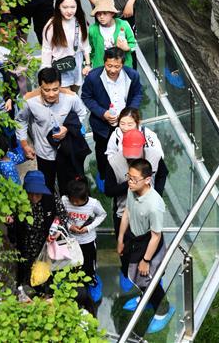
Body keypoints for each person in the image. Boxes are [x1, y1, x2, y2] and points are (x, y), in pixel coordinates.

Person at [117, 159, 175, 334]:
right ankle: (145, 297)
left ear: (147, 180)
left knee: (149, 278)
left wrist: (146, 260)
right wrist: (120, 238)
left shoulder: (154, 205)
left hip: (148, 242)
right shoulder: (132, 189)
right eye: (129, 177)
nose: (130, 181)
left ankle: (163, 310)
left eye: (135, 179)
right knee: (131, 271)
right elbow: (127, 212)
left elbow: (156, 236)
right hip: (133, 238)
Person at [16, 66, 87, 193]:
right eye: (46, 90)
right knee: (47, 188)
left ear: (60, 85)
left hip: (66, 152)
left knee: (68, 187)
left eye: (55, 89)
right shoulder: (29, 101)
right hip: (44, 153)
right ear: (39, 87)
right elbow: (21, 120)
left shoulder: (71, 98)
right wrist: (25, 145)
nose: (51, 94)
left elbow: (82, 113)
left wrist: (68, 128)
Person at [81, 48, 143, 183]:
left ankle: (125, 175)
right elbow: (86, 97)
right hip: (102, 125)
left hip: (125, 123)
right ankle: (103, 175)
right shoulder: (93, 77)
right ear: (104, 62)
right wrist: (102, 113)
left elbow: (138, 94)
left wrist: (130, 113)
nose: (113, 70)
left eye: (117, 66)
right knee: (102, 150)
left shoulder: (132, 75)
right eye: (109, 66)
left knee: (127, 148)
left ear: (123, 64)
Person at [105, 109, 168, 237]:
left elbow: (163, 173)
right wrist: (132, 183)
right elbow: (109, 191)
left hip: (149, 212)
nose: (131, 158)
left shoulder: (154, 155)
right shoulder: (114, 162)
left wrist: (157, 195)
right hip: (123, 213)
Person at [7, 169, 68, 288]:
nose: (34, 197)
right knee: (25, 274)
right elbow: (11, 221)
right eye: (30, 193)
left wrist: (57, 230)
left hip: (45, 244)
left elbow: (63, 216)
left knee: (45, 275)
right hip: (24, 243)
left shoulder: (50, 199)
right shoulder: (18, 200)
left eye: (37, 194)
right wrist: (10, 222)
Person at [41, 0, 91, 91]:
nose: (69, 11)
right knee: (66, 96)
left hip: (76, 62)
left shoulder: (80, 21)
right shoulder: (51, 26)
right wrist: (46, 72)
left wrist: (88, 64)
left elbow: (85, 45)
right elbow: (46, 50)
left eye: (73, 7)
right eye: (65, 7)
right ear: (58, 6)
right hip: (60, 65)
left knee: (75, 95)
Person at [62, 177, 107, 289]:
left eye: (77, 201)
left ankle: (90, 278)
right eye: (72, 200)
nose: (74, 203)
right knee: (73, 262)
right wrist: (70, 226)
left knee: (89, 262)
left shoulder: (93, 204)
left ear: (86, 196)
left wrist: (88, 228)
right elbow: (60, 215)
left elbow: (102, 215)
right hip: (71, 240)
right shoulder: (64, 200)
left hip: (88, 240)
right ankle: (75, 280)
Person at [88, 0, 136, 69]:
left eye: (105, 13)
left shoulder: (124, 25)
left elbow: (133, 44)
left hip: (122, 67)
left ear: (112, 13)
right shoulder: (93, 29)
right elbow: (91, 49)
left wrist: (127, 48)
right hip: (101, 67)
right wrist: (90, 64)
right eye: (98, 14)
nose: (101, 17)